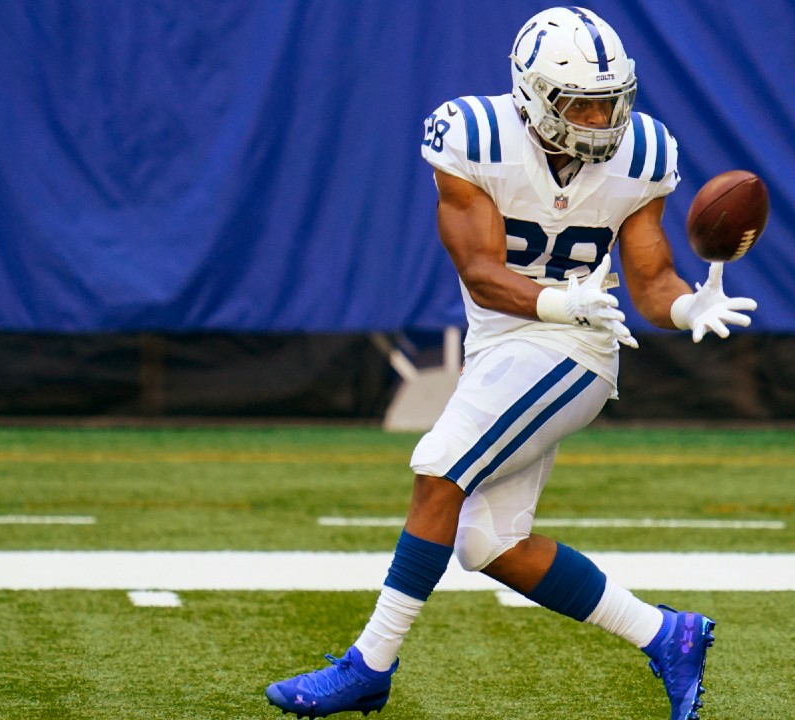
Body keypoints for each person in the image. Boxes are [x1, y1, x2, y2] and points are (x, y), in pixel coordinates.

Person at [265, 7, 757, 720]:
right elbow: (481, 271)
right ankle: (667, 633)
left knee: (440, 469)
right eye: (580, 103)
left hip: (579, 350)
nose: (598, 118)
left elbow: (651, 283)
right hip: (508, 336)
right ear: (532, 94)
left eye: (610, 100)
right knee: (492, 544)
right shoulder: (474, 137)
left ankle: (368, 665)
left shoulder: (644, 151)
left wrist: (686, 309)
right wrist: (562, 301)